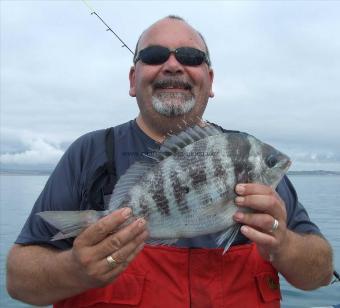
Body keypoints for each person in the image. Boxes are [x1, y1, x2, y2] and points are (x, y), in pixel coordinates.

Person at [6, 15, 333, 307]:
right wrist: (76, 269)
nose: (173, 65)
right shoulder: (89, 153)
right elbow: (19, 282)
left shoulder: (248, 155)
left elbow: (318, 274)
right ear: (133, 79)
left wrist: (284, 243)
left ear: (210, 80)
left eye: (191, 57)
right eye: (154, 56)